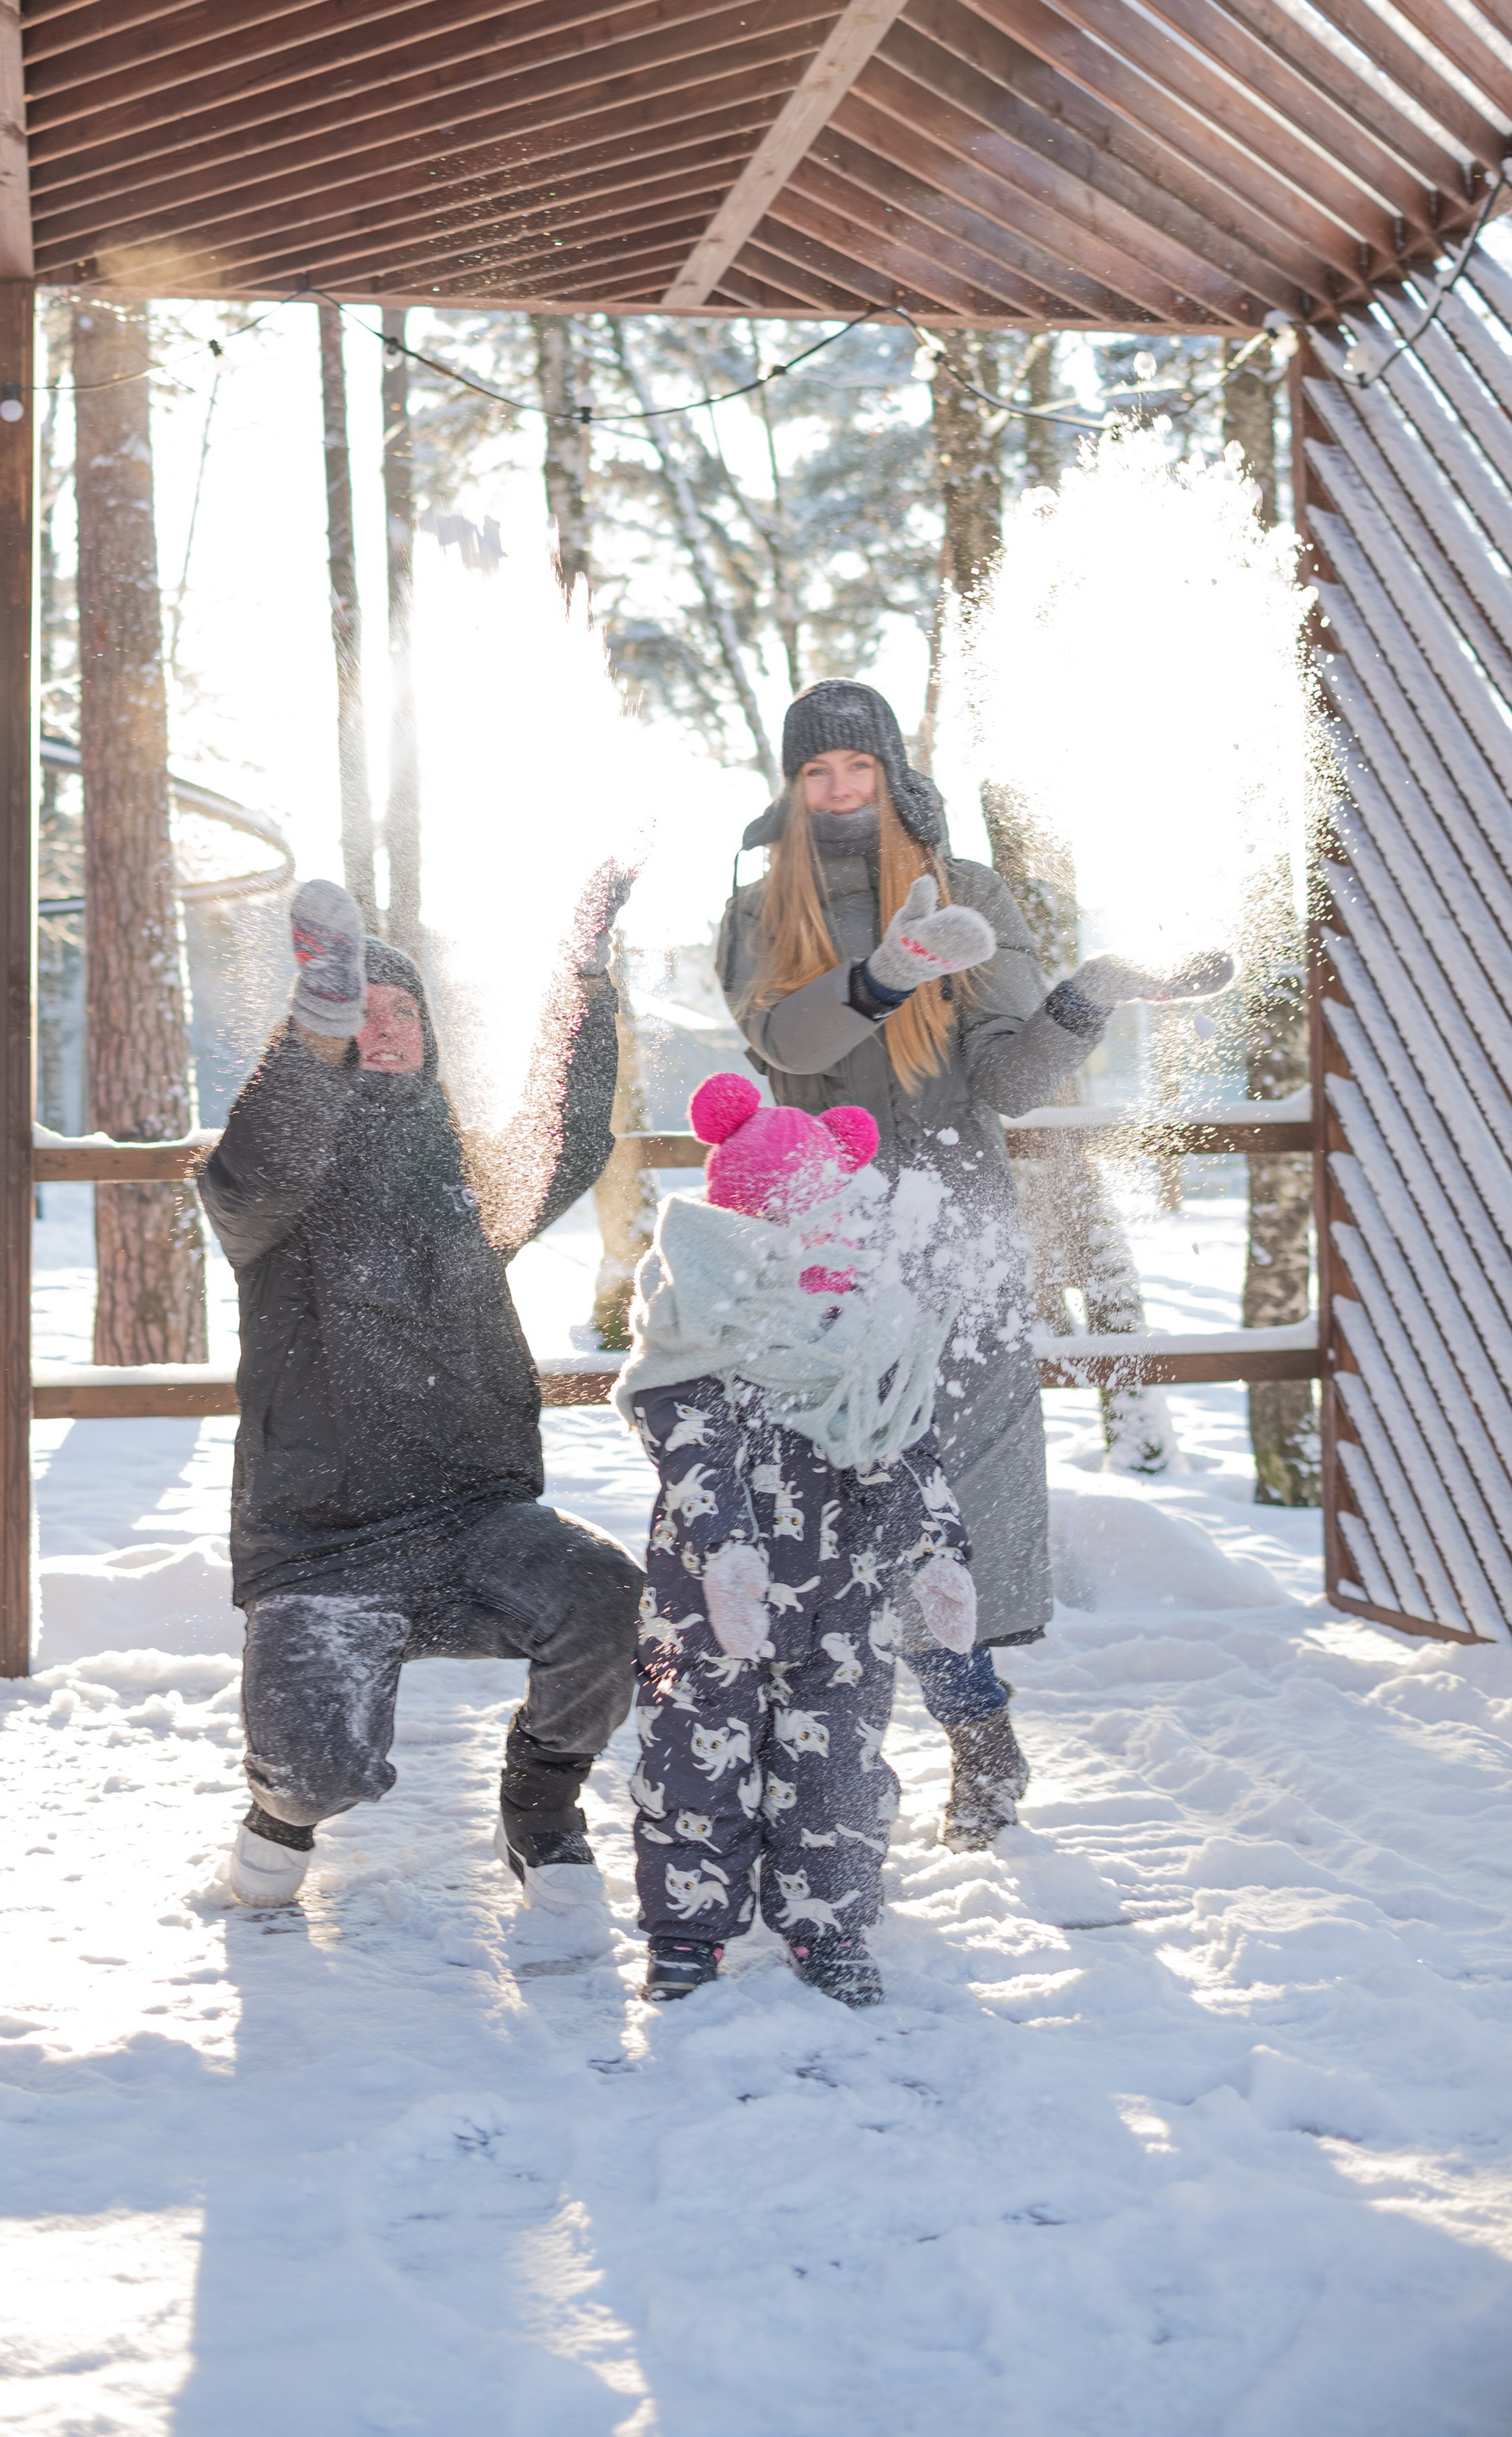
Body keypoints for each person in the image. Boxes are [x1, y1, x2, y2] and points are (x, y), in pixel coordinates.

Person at [717, 679, 1228, 1850]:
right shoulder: (760, 909)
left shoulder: (975, 894)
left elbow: (1003, 1082)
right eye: (817, 774)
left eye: (860, 769)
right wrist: (889, 970)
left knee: (955, 1502)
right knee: (826, 1501)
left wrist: (1086, 998)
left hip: (955, 1223)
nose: (841, 791)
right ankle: (824, 1773)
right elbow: (785, 1042)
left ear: (895, 776)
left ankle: (978, 1731)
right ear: (792, 788)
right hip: (819, 1229)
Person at [198, 871, 641, 1924]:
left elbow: (572, 1126)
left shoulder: (470, 1179)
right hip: (324, 1546)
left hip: (477, 1522)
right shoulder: (278, 1192)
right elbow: (251, 1166)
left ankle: (540, 1806)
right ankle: (279, 1820)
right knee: (319, 1774)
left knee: (606, 1601)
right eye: (363, 1011)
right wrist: (317, 1027)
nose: (387, 1028)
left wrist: (586, 966)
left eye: (405, 1011)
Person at [616, 1071, 979, 2008]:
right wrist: (727, 1553)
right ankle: (689, 1929)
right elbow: (694, 1447)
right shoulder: (703, 1326)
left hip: (843, 1596)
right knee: (692, 1751)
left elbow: (902, 1444)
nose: (829, 1240)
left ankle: (831, 1923)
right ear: (751, 1227)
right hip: (704, 1600)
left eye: (834, 1220)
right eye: (802, 1220)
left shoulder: (866, 1332)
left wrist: (936, 1549)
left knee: (837, 1762)